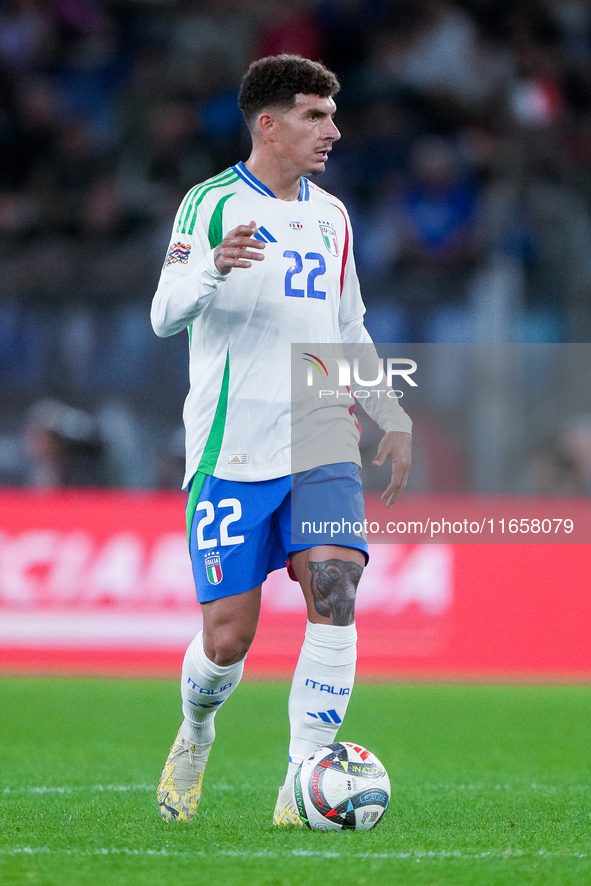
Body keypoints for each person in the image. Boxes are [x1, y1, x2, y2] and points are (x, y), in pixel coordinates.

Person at [150, 54, 412, 826]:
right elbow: (164, 313)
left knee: (334, 592)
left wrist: (388, 411)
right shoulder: (207, 204)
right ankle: (196, 732)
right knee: (227, 639)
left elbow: (349, 325)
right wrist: (213, 269)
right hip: (232, 447)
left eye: (331, 115)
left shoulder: (332, 216)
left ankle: (304, 778)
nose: (333, 130)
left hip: (320, 430)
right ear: (268, 123)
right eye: (314, 116)